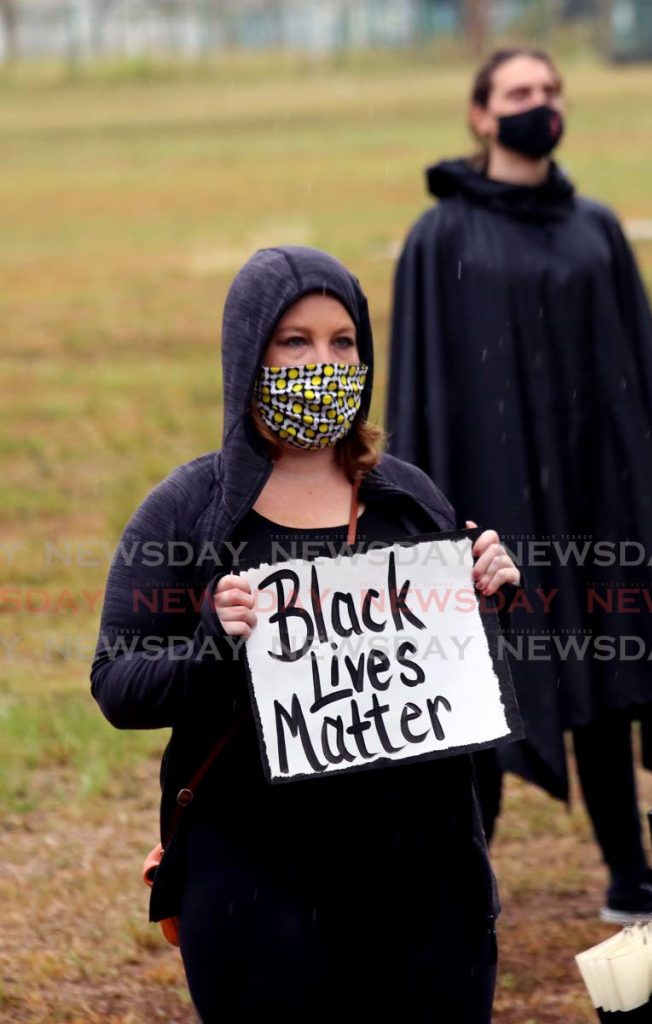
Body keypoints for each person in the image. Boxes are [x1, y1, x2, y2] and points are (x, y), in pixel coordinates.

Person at [90, 246, 521, 1023]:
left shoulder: (408, 499)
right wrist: (212, 646)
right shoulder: (185, 512)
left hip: (424, 887)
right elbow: (116, 683)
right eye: (294, 341)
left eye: (341, 341)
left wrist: (490, 603)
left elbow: (470, 699)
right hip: (256, 891)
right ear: (248, 354)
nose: (323, 360)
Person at [385, 48, 652, 922]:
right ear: (480, 116)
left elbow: (637, 370)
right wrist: (428, 510)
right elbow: (426, 386)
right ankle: (459, 892)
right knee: (486, 683)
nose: (540, 105)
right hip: (491, 498)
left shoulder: (593, 226)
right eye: (520, 93)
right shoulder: (441, 237)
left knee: (606, 671)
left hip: (592, 491)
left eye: (550, 91)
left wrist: (648, 487)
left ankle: (631, 877)